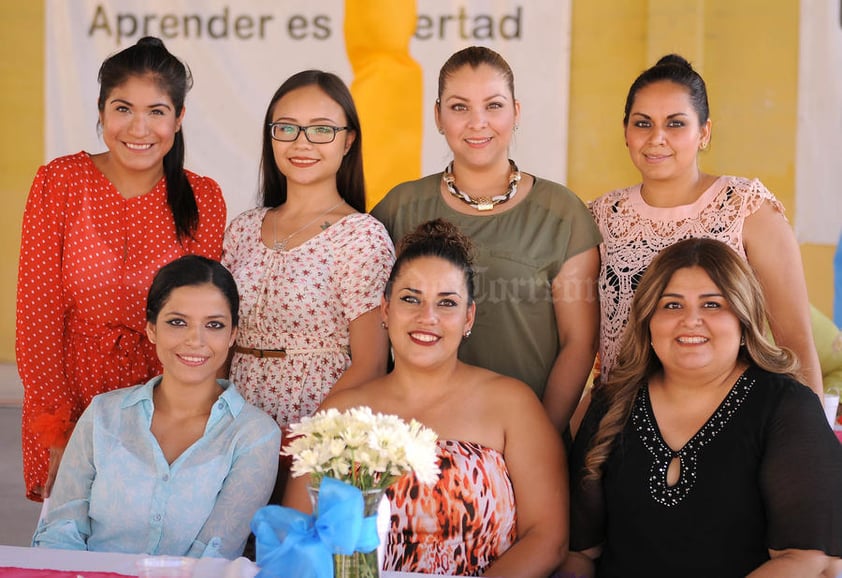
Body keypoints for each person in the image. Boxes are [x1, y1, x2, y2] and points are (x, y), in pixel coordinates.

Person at [284, 219, 568, 577]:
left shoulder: (513, 405)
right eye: (410, 299)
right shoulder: (340, 412)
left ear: (469, 317)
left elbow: (548, 538)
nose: (427, 317)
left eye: (446, 303)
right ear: (385, 311)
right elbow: (296, 537)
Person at [16, 36, 226, 502]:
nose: (139, 127)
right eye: (123, 108)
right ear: (101, 111)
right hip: (71, 399)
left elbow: (205, 324)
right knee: (73, 559)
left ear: (179, 118)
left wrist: (185, 423)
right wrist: (58, 430)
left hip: (162, 407)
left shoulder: (203, 199)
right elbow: (38, 316)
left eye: (157, 111)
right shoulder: (60, 182)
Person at [563, 238, 842, 577]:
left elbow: (810, 560)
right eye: (671, 305)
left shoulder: (786, 406)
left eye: (712, 305)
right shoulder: (610, 404)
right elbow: (582, 554)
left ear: (743, 321)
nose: (690, 320)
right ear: (648, 322)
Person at [371, 46, 601, 434]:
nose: (478, 123)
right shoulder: (399, 208)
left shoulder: (562, 213)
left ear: (516, 112)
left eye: (493, 106)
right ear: (438, 116)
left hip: (527, 438)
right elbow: (372, 331)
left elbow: (579, 342)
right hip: (415, 442)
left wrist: (535, 437)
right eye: (460, 107)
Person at [589, 53, 822, 395]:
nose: (657, 138)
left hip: (733, 421)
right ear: (625, 132)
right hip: (622, 422)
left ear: (704, 132)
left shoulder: (746, 208)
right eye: (642, 123)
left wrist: (814, 440)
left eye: (676, 123)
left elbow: (796, 341)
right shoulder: (600, 217)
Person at [31, 255, 280, 558]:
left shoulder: (255, 434)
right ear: (151, 329)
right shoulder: (102, 414)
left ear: (232, 336)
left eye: (214, 325)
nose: (195, 340)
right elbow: (61, 532)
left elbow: (215, 555)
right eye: (177, 322)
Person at [222, 70, 394, 428]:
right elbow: (219, 337)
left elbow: (372, 364)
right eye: (286, 128)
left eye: (321, 130)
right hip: (234, 421)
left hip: (317, 424)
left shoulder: (361, 237)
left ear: (348, 141)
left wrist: (308, 438)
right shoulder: (243, 228)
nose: (301, 143)